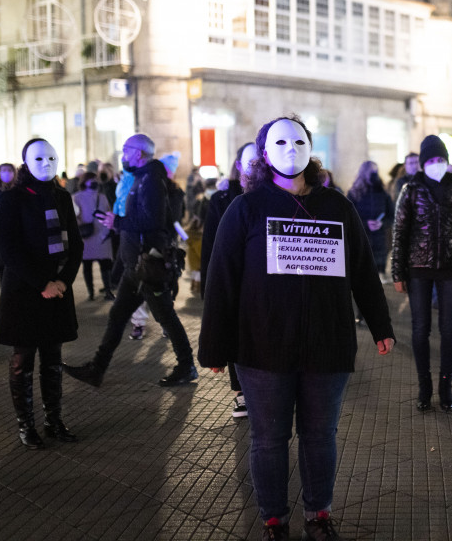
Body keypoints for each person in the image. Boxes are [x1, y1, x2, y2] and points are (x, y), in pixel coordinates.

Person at [199, 115, 395, 541]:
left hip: (327, 345)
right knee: (269, 439)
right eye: (281, 142)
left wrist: (381, 325)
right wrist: (213, 347)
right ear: (264, 154)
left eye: (299, 141)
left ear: (310, 148)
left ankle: (318, 515)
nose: (291, 149)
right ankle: (274, 519)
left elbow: (362, 270)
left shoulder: (337, 207)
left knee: (320, 436)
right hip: (263, 348)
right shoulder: (245, 209)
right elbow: (222, 280)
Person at [63, 134, 198, 387]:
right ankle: (97, 368)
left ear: (139, 153)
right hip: (135, 265)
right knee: (118, 316)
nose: (122, 155)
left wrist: (119, 222)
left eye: (126, 150)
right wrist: (119, 225)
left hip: (148, 264)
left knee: (165, 316)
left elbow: (154, 220)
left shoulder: (150, 180)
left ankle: (187, 365)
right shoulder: (141, 178)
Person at [0, 139, 83, 448]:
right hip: (24, 293)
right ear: (26, 163)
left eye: (52, 157)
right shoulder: (12, 199)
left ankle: (53, 420)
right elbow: (9, 250)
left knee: (53, 359)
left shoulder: (61, 196)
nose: (46, 163)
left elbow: (75, 244)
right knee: (23, 361)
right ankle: (26, 425)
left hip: (56, 290)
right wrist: (42, 283)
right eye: (39, 158)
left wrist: (63, 281)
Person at [392, 135, 452, 412]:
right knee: (420, 329)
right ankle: (424, 385)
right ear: (423, 163)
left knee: (449, 329)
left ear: (447, 162)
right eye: (431, 160)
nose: (436, 165)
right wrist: (397, 272)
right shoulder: (411, 190)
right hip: (418, 270)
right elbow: (401, 233)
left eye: (441, 160)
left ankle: (445, 384)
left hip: (451, 270)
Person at [200, 141, 257, 419]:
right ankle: (240, 392)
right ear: (239, 166)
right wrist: (207, 287)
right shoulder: (222, 199)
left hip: (261, 281)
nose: (255, 167)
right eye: (250, 161)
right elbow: (210, 245)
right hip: (231, 277)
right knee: (235, 332)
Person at [347, 161, 394, 281]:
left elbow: (391, 215)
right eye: (371, 172)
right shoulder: (354, 193)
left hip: (380, 240)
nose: (374, 175)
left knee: (378, 280)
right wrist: (365, 224)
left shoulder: (383, 193)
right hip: (361, 237)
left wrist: (381, 223)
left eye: (376, 172)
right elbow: (348, 217)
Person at [72, 172, 114, 301]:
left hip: (101, 233)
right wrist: (79, 227)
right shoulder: (76, 197)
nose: (94, 181)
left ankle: (108, 290)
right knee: (87, 265)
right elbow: (74, 216)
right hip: (87, 235)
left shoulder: (102, 197)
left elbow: (108, 213)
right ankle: (91, 292)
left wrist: (108, 230)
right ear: (84, 181)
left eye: (96, 179)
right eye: (91, 179)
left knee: (105, 265)